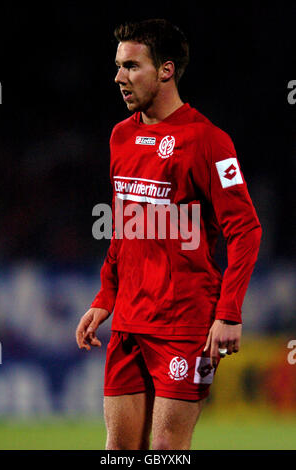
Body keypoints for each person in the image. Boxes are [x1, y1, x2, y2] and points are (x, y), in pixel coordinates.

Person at [76, 19, 262, 450]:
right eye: (118, 66)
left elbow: (246, 229)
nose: (118, 77)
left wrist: (229, 313)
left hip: (183, 324)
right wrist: (105, 298)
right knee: (119, 451)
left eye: (131, 66)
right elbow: (125, 228)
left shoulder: (208, 141)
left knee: (165, 452)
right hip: (127, 322)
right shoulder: (121, 136)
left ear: (166, 70)